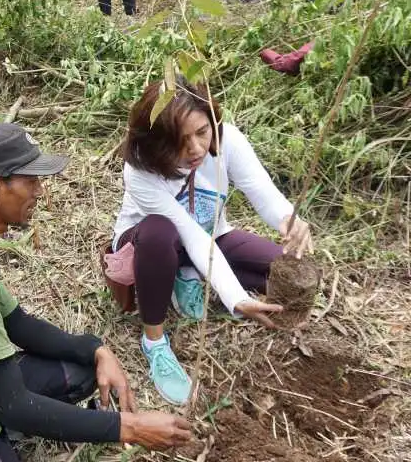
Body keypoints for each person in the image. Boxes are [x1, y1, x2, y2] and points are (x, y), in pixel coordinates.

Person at [0, 123, 192, 461]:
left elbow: (19, 325)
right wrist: (128, 427)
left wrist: (95, 349)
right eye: (31, 181)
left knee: (82, 370)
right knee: (19, 410)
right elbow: (15, 406)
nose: (40, 192)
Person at [110, 78, 313, 406]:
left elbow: (260, 190)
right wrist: (235, 298)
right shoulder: (140, 169)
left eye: (202, 132)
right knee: (162, 234)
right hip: (148, 245)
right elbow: (188, 234)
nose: (195, 149)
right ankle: (154, 341)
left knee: (281, 270)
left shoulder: (226, 139)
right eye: (180, 140)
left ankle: (188, 275)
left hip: (211, 235)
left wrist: (290, 220)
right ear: (158, 142)